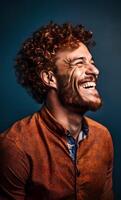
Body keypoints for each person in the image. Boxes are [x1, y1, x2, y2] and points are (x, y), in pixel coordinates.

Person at [0, 22, 114, 200]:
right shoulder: (15, 145)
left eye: (92, 62)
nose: (95, 70)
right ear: (50, 78)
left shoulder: (103, 137)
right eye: (79, 63)